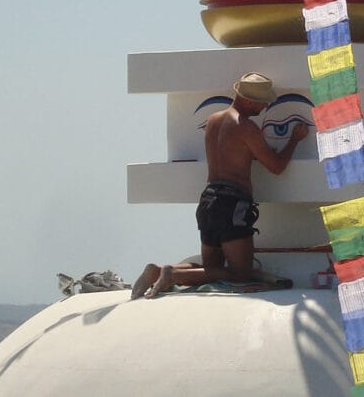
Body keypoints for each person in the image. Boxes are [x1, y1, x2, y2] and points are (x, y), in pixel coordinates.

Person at [132, 72, 309, 298]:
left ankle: (158, 271)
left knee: (213, 270)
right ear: (248, 100)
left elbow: (233, 152)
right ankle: (172, 274)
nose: (265, 107)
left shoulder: (213, 120)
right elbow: (276, 166)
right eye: (262, 102)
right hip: (232, 204)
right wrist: (294, 139)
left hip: (208, 200)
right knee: (241, 273)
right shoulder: (246, 127)